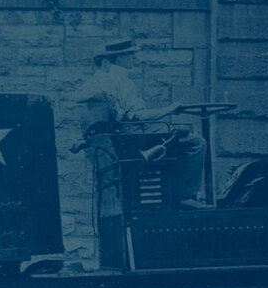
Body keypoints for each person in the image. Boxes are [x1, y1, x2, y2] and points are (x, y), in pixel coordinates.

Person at [74, 37, 208, 207]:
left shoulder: (100, 78)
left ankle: (177, 194)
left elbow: (79, 95)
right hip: (131, 136)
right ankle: (186, 197)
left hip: (120, 136)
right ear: (120, 58)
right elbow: (139, 117)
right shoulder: (121, 79)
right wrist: (171, 108)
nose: (134, 59)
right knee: (196, 143)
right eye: (131, 55)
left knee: (175, 136)